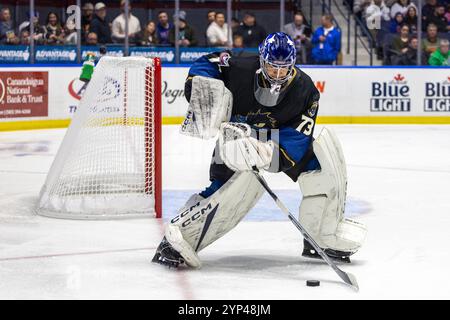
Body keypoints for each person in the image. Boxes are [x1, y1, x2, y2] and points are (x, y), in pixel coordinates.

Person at [152, 32, 367, 268]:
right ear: (262, 61)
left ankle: (321, 237)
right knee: (228, 187)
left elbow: (298, 136)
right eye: (272, 67)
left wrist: (267, 152)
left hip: (275, 142)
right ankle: (180, 237)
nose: (277, 74)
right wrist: (204, 93)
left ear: (292, 65)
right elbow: (207, 63)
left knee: (323, 165)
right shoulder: (241, 67)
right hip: (235, 135)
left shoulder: (306, 91)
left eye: (283, 69)